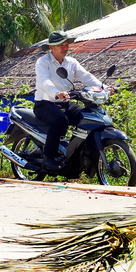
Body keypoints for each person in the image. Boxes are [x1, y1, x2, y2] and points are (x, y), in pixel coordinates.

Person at [34, 31, 103, 171]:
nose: (65, 47)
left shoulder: (72, 62)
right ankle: (49, 156)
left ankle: (77, 153)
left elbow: (87, 77)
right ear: (51, 47)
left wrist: (104, 87)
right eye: (60, 45)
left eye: (66, 44)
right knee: (61, 121)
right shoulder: (43, 62)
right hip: (45, 103)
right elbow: (44, 81)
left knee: (87, 117)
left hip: (64, 102)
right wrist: (56, 93)